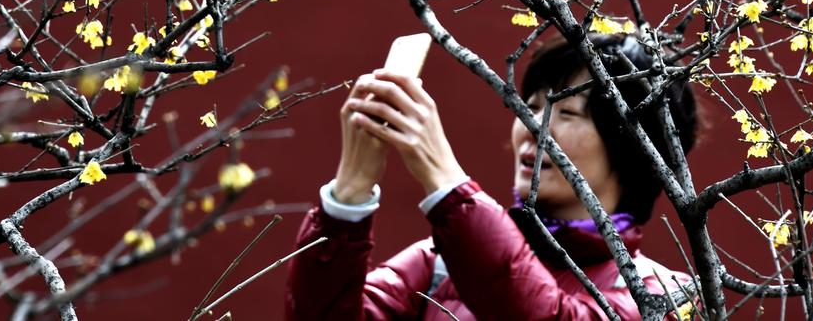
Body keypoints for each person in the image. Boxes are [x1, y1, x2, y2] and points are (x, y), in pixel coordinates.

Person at [285, 33, 699, 320]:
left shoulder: (666, 296)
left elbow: (543, 314)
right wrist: (351, 192)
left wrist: (446, 183)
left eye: (567, 112)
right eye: (531, 106)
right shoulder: (439, 265)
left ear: (632, 150)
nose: (533, 125)